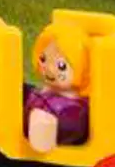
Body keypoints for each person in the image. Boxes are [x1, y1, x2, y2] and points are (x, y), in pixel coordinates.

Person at [23, 21, 91, 152]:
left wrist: (42, 121)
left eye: (61, 66)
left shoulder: (72, 110)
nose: (49, 69)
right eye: (43, 59)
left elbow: (41, 142)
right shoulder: (47, 92)